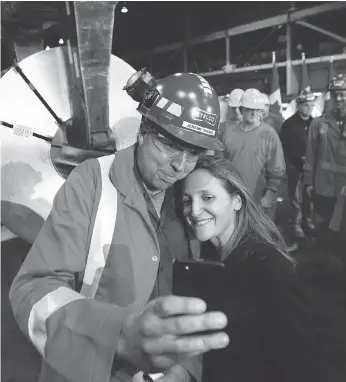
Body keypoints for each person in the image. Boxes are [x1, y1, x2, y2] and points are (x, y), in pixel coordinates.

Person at [9, 71, 229, 382]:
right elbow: (33, 290)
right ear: (143, 131)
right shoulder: (92, 182)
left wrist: (186, 367)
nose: (179, 166)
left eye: (193, 152)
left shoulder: (188, 200)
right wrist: (119, 336)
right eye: (169, 146)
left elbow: (194, 293)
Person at [180, 155, 326, 382]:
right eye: (187, 201)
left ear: (237, 201)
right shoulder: (211, 259)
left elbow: (301, 363)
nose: (194, 211)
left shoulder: (268, 267)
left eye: (207, 198)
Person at [222, 88, 286, 220]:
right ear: (242, 109)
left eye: (257, 109)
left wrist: (269, 196)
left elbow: (277, 171)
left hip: (259, 202)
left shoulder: (269, 134)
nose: (254, 113)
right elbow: (222, 165)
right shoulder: (229, 133)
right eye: (250, 109)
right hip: (234, 199)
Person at [304, 74, 346, 257]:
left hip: (344, 190)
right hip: (324, 189)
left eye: (342, 94)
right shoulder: (318, 123)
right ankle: (323, 271)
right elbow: (310, 155)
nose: (338, 99)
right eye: (335, 94)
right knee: (323, 231)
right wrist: (308, 182)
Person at [280, 91, 316, 239]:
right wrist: (300, 158)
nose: (309, 108)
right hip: (295, 167)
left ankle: (308, 221)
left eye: (311, 105)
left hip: (311, 168)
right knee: (296, 198)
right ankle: (296, 225)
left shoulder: (315, 123)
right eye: (306, 105)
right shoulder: (289, 125)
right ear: (298, 105)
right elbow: (285, 147)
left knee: (310, 197)